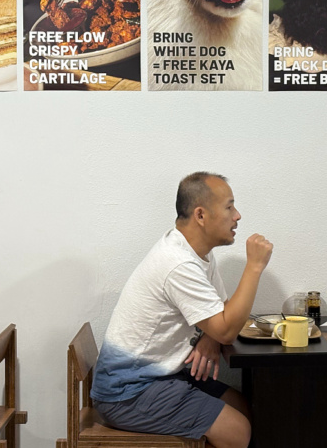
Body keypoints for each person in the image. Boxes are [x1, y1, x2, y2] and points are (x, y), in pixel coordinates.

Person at [90, 172, 274, 448]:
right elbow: (226, 328)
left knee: (244, 406)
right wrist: (254, 267)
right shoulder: (178, 263)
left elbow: (221, 313)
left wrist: (210, 338)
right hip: (128, 392)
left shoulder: (196, 253)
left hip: (164, 377)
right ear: (201, 215)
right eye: (229, 207)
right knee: (237, 431)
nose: (237, 216)